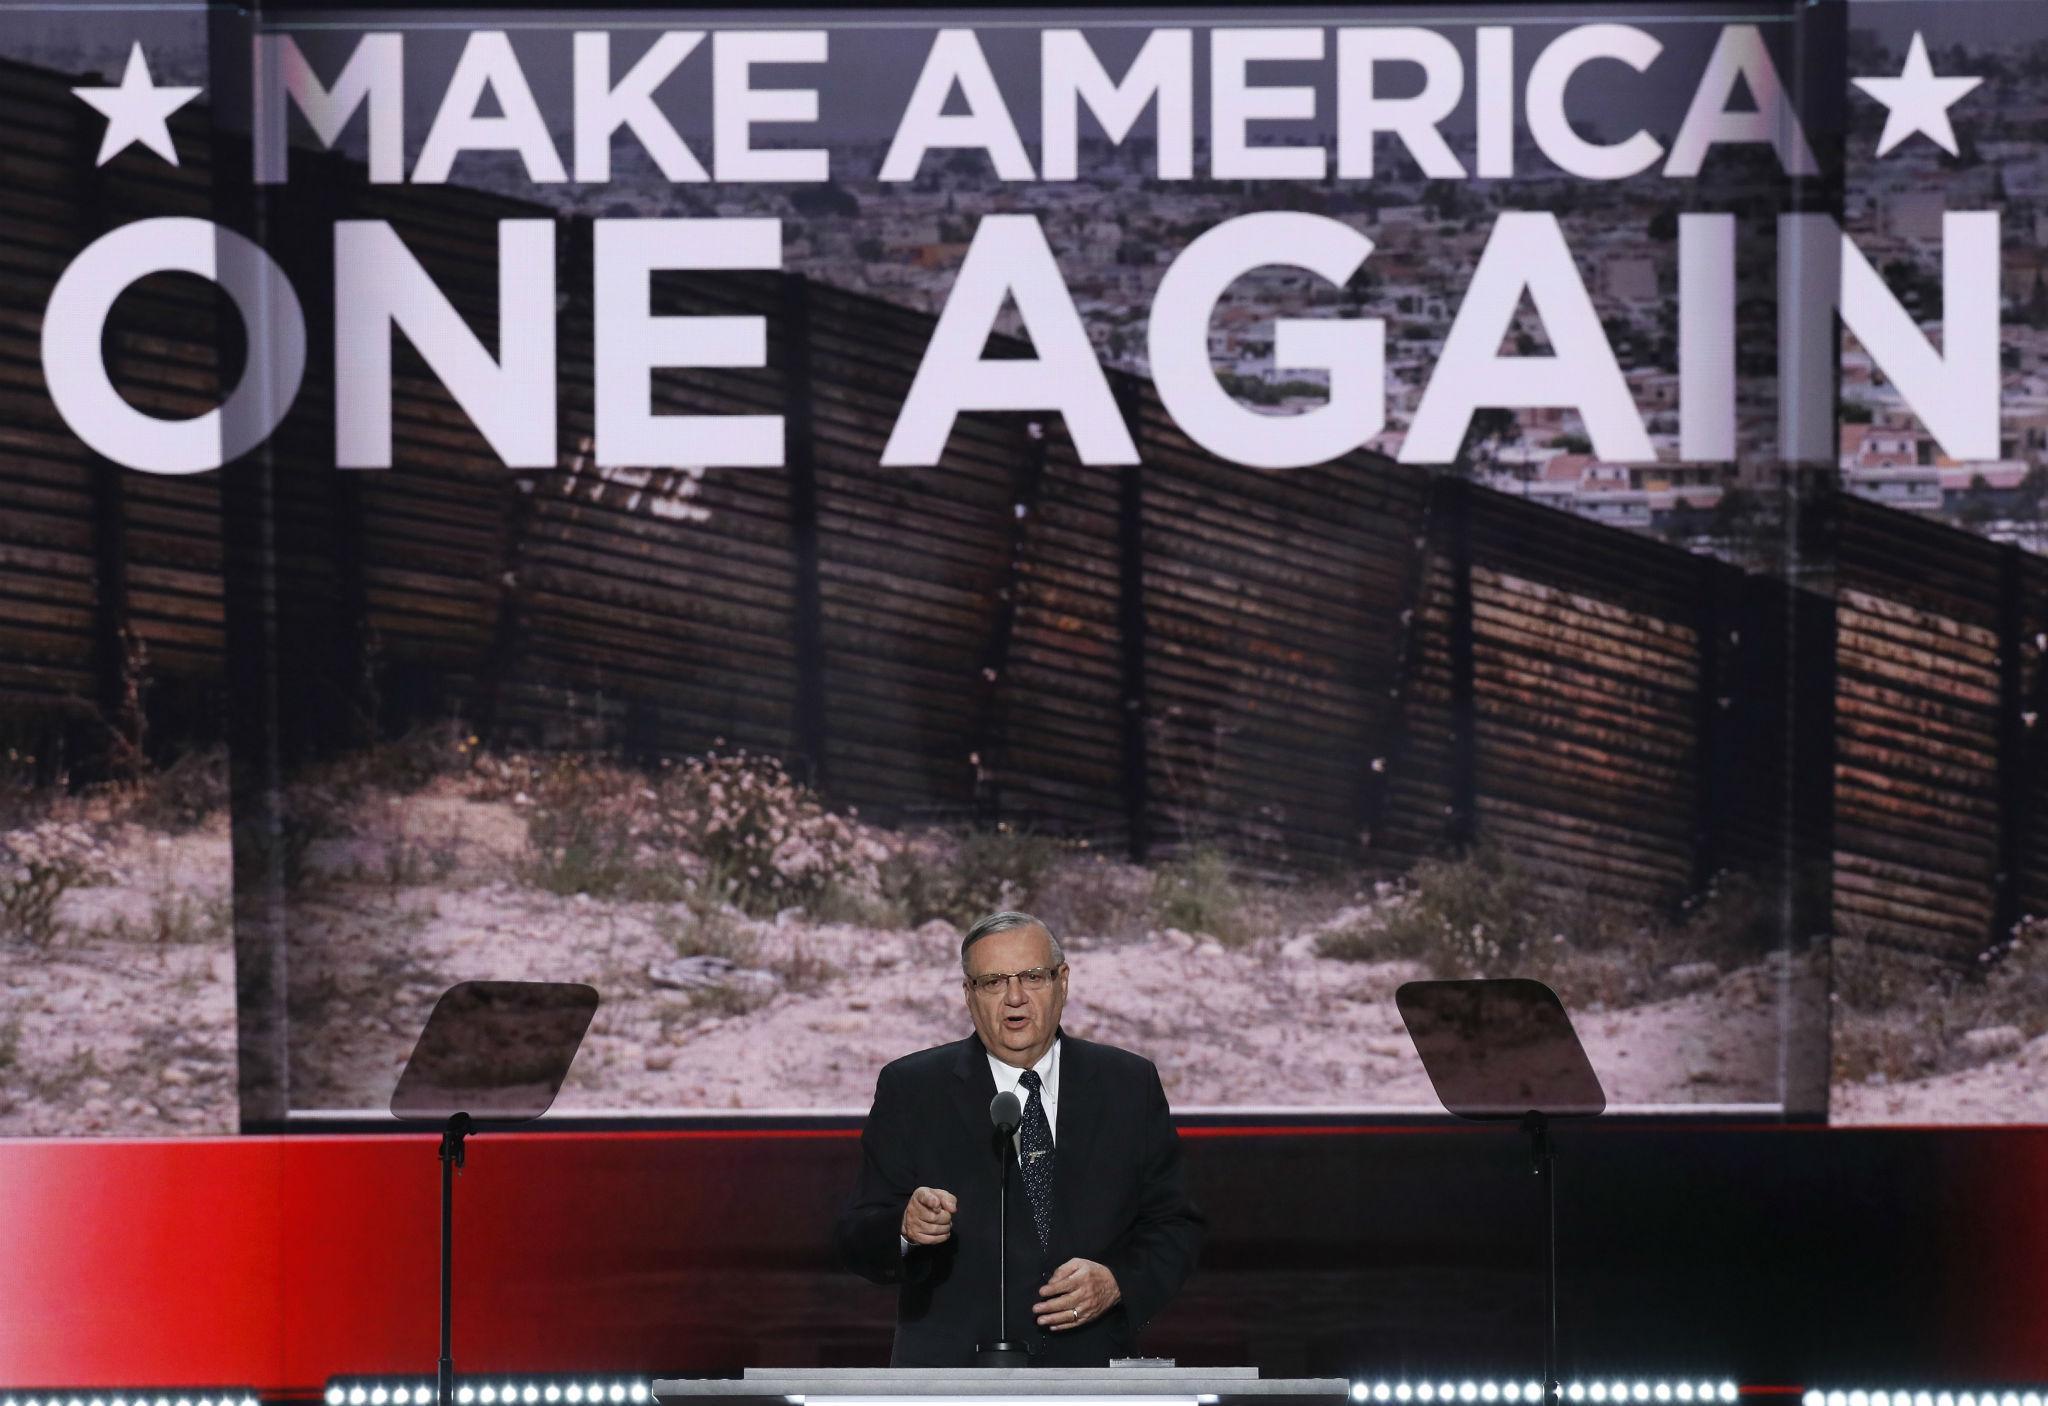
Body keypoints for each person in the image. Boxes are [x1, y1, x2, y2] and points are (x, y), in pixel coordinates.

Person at [834, 910, 1204, 1367]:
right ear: (968, 994)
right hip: (952, 1380)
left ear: (1062, 981)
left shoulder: (1129, 1083)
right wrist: (904, 1229)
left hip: (1090, 1378)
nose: (1014, 998)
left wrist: (1116, 1282)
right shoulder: (912, 1088)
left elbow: (1174, 1226)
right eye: (992, 982)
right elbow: (855, 1234)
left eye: (1031, 977)